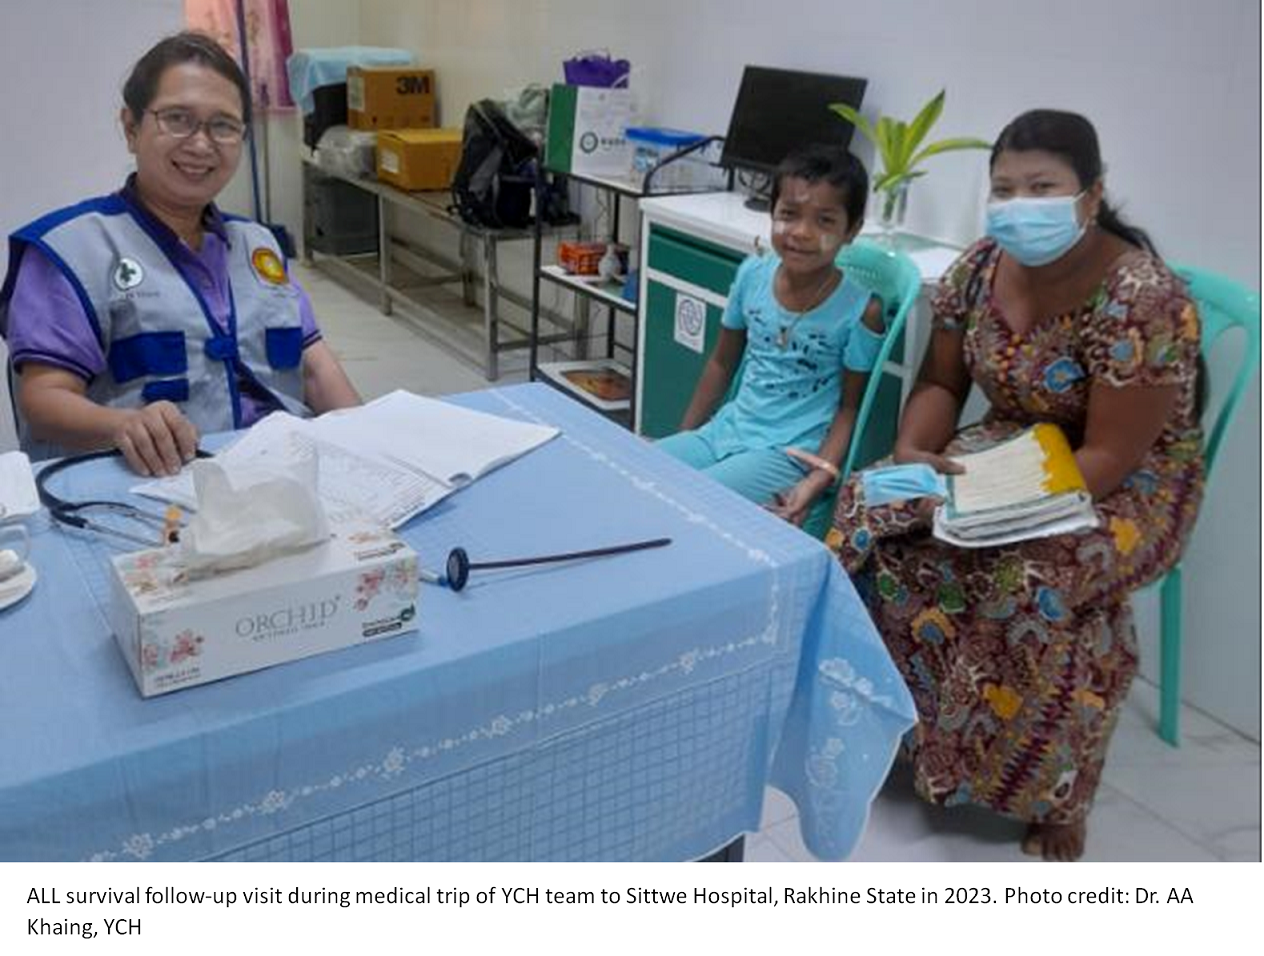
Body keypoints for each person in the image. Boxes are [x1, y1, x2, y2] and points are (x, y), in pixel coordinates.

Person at [828, 109, 1204, 861]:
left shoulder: (1143, 299)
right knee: (872, 506)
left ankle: (1054, 792)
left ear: (1091, 195)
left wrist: (995, 512)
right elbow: (941, 382)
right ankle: (902, 731)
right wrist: (913, 451)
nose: (1018, 205)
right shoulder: (979, 267)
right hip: (1009, 448)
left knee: (1032, 573)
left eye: (1042, 187)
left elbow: (1111, 453)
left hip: (1127, 484)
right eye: (1004, 188)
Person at [0, 32, 360, 475]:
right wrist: (123, 425)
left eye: (223, 125)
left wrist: (371, 440)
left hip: (280, 477)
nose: (201, 144)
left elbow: (315, 370)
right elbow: (44, 399)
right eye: (177, 118)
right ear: (131, 128)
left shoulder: (258, 246)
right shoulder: (70, 251)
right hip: (150, 483)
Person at [657, 145, 885, 536]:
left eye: (824, 220)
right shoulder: (752, 275)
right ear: (772, 213)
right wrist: (686, 435)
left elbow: (849, 408)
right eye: (789, 214)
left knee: (690, 504)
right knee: (639, 468)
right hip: (727, 430)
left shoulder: (862, 310)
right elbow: (721, 363)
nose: (801, 232)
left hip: (790, 452)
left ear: (852, 230)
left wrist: (820, 477)